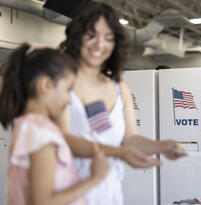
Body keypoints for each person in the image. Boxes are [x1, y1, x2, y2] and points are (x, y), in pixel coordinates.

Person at [59, 2, 185, 205]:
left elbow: (130, 138)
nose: (100, 44)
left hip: (108, 193)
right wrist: (118, 152)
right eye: (92, 35)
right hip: (68, 192)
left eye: (108, 37)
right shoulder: (61, 84)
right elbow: (64, 139)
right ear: (76, 37)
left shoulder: (119, 87)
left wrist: (160, 145)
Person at [0, 44, 110, 205]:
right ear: (45, 85)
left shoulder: (27, 125)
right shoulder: (41, 133)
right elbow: (43, 202)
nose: (69, 99)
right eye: (67, 89)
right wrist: (95, 179)